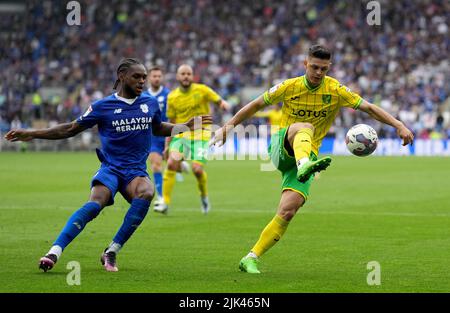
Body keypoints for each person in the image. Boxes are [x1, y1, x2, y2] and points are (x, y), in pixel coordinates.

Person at [211, 45, 414, 274]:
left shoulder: (335, 89)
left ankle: (251, 257)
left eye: (323, 69)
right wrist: (227, 128)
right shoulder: (290, 86)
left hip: (308, 155)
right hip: (282, 146)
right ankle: (303, 164)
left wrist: (398, 124)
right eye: (315, 67)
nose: (318, 73)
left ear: (329, 68)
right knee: (304, 127)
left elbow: (367, 107)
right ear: (305, 64)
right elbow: (257, 104)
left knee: (288, 210)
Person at [4, 58, 211, 272]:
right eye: (136, 77)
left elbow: (157, 127)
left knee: (147, 192)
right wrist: (32, 133)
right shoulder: (102, 107)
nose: (142, 81)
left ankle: (111, 250)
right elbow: (70, 129)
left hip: (135, 171)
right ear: (122, 76)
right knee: (95, 204)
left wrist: (183, 127)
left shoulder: (149, 103)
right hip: (111, 168)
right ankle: (54, 251)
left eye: (144, 77)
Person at [156, 64, 230, 215]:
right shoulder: (172, 96)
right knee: (171, 163)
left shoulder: (202, 89)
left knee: (197, 170)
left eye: (188, 74)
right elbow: (172, 121)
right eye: (182, 74)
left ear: (192, 76)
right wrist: (166, 146)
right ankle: (165, 202)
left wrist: (223, 104)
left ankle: (204, 196)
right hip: (181, 135)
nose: (185, 76)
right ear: (177, 77)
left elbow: (218, 100)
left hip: (201, 136)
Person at [142, 66, 171, 212]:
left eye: (159, 76)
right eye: (154, 76)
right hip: (152, 136)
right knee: (156, 165)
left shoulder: (169, 95)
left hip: (168, 134)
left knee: (173, 164)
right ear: (149, 78)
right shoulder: (143, 96)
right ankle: (161, 198)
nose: (157, 78)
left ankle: (181, 166)